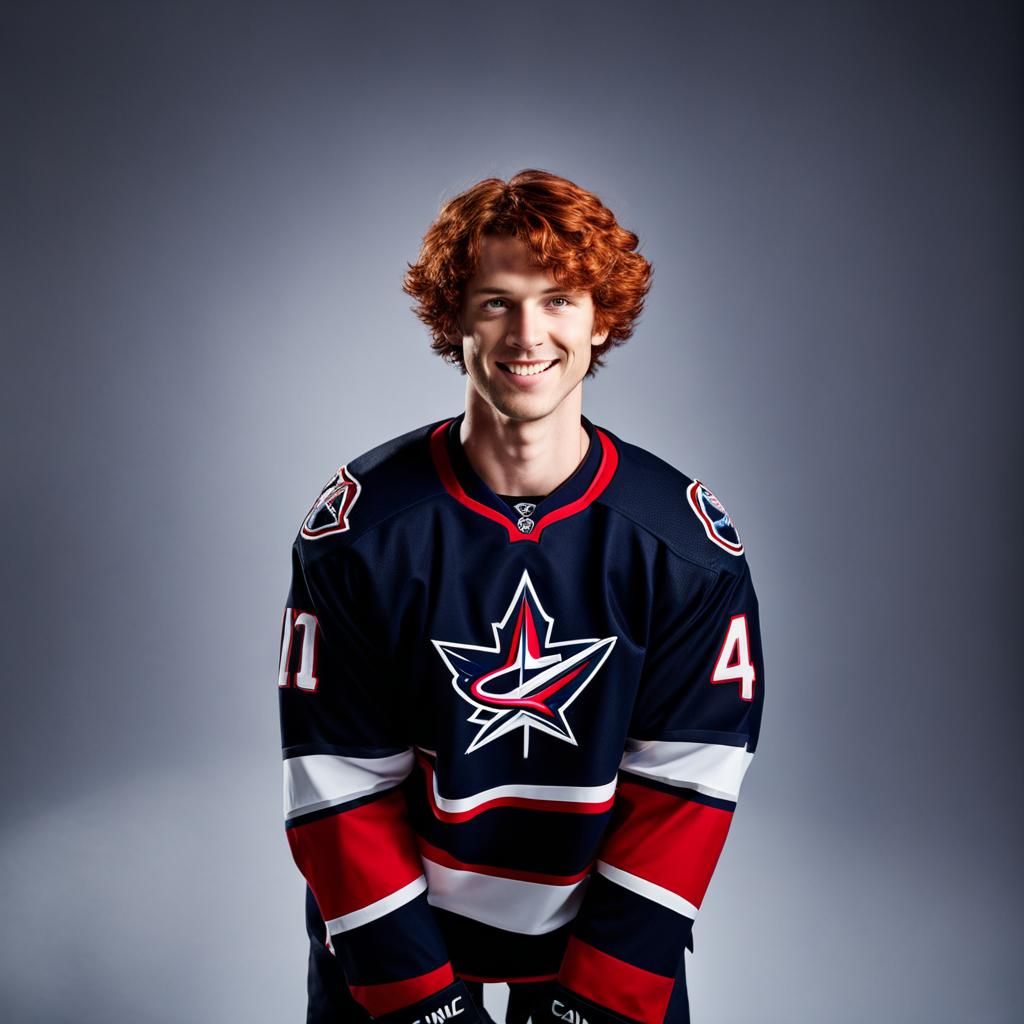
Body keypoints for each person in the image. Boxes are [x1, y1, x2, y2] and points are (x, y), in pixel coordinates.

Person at [277, 170, 764, 1024]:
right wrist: (424, 1004)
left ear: (601, 317)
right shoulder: (359, 533)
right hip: (397, 940)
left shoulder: (684, 548)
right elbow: (338, 782)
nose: (527, 334)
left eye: (560, 301)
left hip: (599, 940)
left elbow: (687, 786)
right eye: (496, 302)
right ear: (453, 319)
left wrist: (598, 1002)